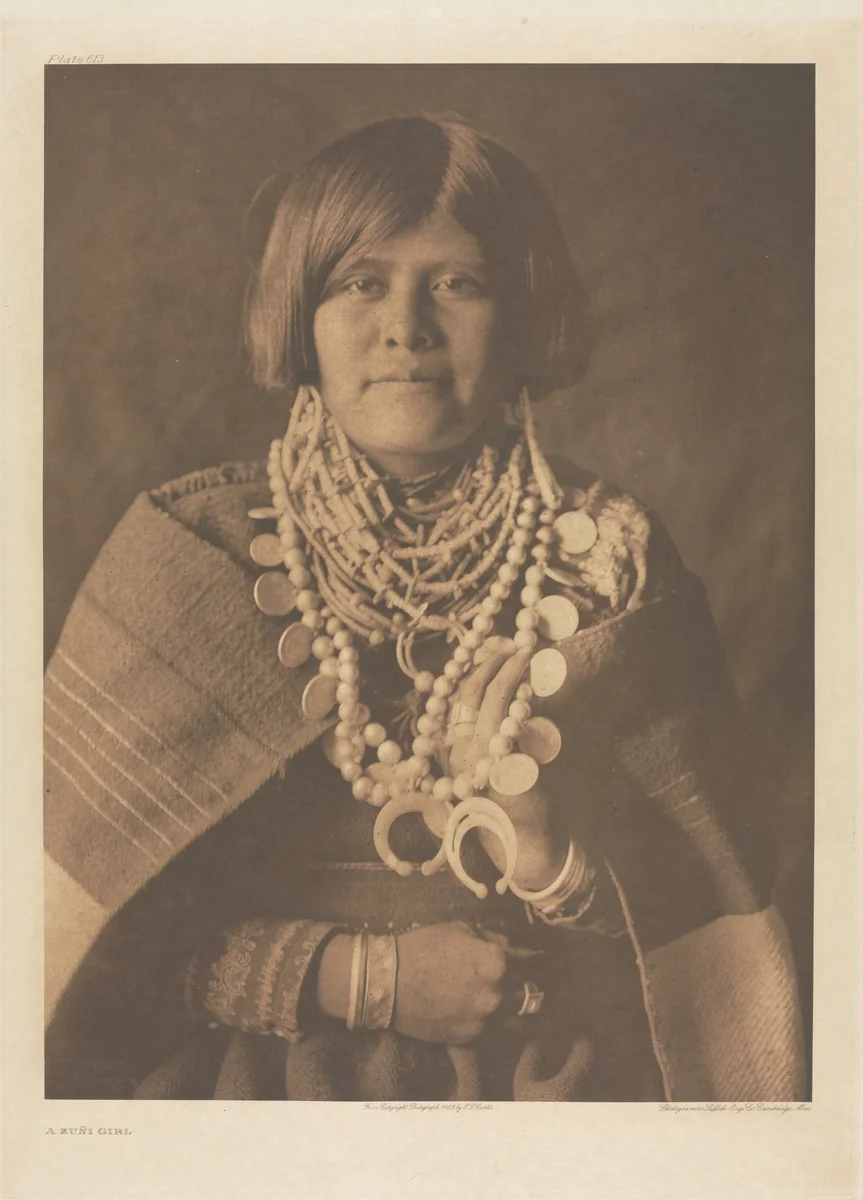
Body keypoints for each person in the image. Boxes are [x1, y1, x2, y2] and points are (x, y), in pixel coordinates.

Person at [44, 115, 805, 1102]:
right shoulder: (189, 554)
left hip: (544, 1096)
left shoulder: (606, 559)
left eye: (457, 282)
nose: (405, 324)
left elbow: (705, 947)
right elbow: (66, 939)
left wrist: (551, 864)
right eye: (361, 281)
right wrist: (361, 980)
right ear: (300, 316)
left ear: (523, 315)